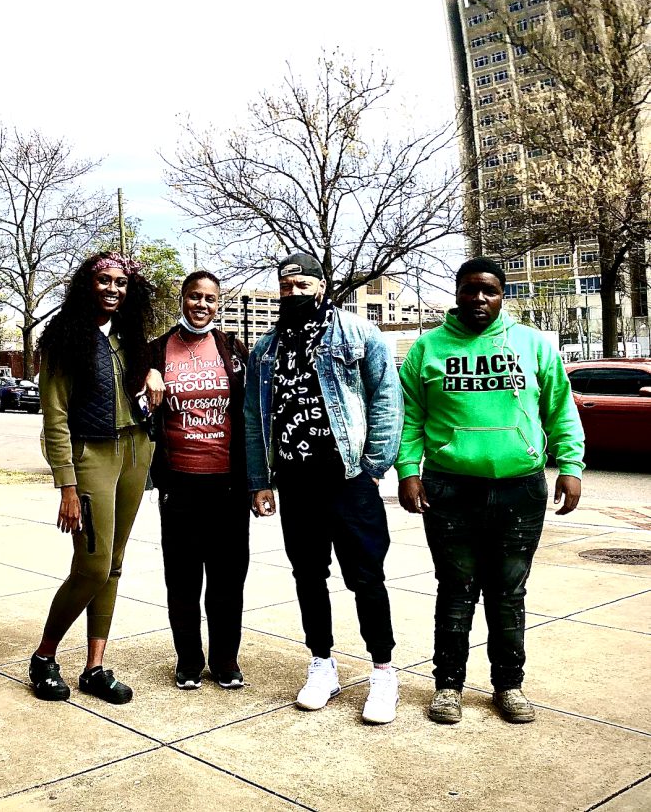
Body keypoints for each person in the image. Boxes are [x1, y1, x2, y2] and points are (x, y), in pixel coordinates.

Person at [396, 256, 584, 725]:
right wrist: (407, 470)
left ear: (503, 295)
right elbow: (410, 418)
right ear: (457, 293)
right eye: (470, 289)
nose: (479, 298)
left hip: (519, 488)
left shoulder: (533, 345)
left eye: (490, 291)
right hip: (450, 488)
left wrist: (571, 465)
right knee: (456, 589)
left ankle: (509, 685)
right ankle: (448, 686)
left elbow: (560, 409)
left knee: (508, 592)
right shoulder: (428, 349)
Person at [245, 252, 404, 724]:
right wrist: (260, 480)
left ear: (322, 286)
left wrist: (374, 465)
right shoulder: (266, 350)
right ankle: (322, 664)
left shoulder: (359, 334)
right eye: (286, 287)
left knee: (365, 576)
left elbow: (386, 398)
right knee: (308, 575)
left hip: (348, 479)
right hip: (296, 482)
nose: (293, 294)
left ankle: (383, 671)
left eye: (302, 286)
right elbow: (255, 419)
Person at [30, 251, 163, 704]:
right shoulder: (64, 338)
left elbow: (151, 371)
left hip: (135, 451)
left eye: (121, 282)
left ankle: (95, 667)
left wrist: (154, 370)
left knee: (115, 564)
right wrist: (66, 485)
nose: (113, 289)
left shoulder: (131, 336)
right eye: (104, 280)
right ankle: (45, 657)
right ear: (87, 284)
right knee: (92, 566)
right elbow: (55, 416)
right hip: (92, 458)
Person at [149, 271, 250, 690]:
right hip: (179, 484)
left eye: (210, 298)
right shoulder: (156, 350)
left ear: (218, 303)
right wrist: (147, 376)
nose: (202, 305)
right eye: (194, 296)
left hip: (228, 484)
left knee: (228, 578)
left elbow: (250, 412)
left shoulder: (233, 349)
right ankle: (188, 660)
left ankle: (225, 661)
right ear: (183, 299)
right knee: (183, 577)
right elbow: (137, 401)